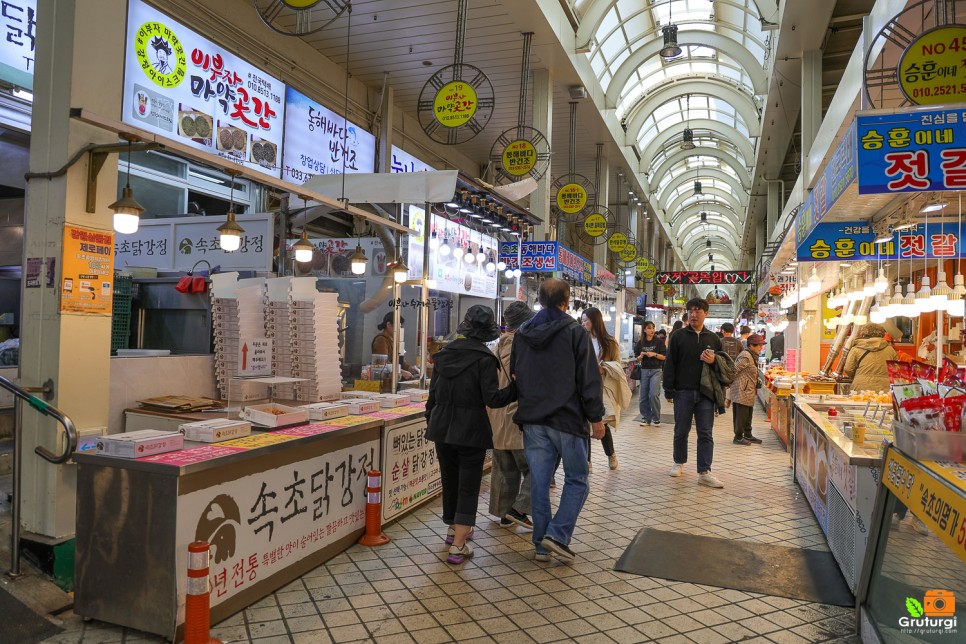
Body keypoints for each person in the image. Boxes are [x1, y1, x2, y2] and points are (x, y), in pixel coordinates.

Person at [511, 278, 605, 563]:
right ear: (567, 302)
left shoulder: (522, 332)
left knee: (539, 482)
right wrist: (596, 418)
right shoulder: (576, 333)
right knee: (577, 480)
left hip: (533, 420)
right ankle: (558, 535)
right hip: (567, 418)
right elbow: (589, 379)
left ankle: (541, 545)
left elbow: (516, 374)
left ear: (539, 301)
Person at [426, 305, 517, 564]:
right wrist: (516, 388)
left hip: (441, 427)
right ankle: (458, 546)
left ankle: (454, 529)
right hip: (471, 430)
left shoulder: (443, 355)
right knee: (468, 485)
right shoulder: (484, 359)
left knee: (450, 480)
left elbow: (432, 398)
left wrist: (430, 422)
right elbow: (493, 399)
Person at [664, 298, 725, 488]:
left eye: (698, 311)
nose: (693, 314)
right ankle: (678, 461)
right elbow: (670, 363)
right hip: (683, 391)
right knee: (681, 430)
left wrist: (714, 360)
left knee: (705, 432)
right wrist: (669, 388)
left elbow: (722, 364)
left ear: (706, 313)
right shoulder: (678, 336)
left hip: (706, 393)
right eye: (690, 310)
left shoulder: (713, 338)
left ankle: (705, 471)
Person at [487, 302, 535, 530]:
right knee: (536, 467)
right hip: (516, 417)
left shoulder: (495, 347)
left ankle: (505, 514)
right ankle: (519, 510)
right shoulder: (524, 346)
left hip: (496, 417)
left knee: (505, 470)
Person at [580, 307, 621, 471]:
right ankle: (587, 461)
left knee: (601, 422)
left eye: (586, 320)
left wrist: (604, 368)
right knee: (585, 425)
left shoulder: (609, 343)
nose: (583, 323)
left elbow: (618, 364)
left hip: (603, 388)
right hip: (584, 387)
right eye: (582, 320)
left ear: (595, 321)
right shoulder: (581, 339)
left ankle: (611, 454)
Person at [728, 334, 766, 445]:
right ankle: (738, 437)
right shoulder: (745, 355)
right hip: (742, 389)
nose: (761, 348)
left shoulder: (752, 355)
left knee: (748, 413)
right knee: (741, 414)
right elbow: (734, 370)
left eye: (761, 345)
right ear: (751, 345)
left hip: (747, 389)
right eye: (759, 345)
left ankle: (748, 435)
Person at [843, 323, 900, 393]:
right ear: (882, 334)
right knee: (882, 403)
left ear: (863, 333)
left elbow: (848, 369)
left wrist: (858, 375)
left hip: (861, 387)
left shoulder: (856, 349)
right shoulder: (891, 350)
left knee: (861, 403)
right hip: (884, 388)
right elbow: (896, 370)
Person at [636, 321, 666, 426]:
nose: (652, 330)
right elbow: (637, 358)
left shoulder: (658, 342)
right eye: (649, 328)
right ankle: (646, 417)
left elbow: (664, 357)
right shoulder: (640, 343)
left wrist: (654, 354)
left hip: (656, 370)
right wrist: (640, 356)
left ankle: (656, 417)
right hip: (644, 370)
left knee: (653, 394)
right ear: (644, 330)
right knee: (643, 396)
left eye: (653, 328)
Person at [372, 312, 417, 380]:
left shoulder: (394, 340)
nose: (399, 329)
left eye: (400, 326)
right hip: (385, 379)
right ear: (388, 324)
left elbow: (399, 360)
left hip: (395, 378)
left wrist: (409, 368)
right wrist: (401, 371)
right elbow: (383, 363)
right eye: (397, 326)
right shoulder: (381, 340)